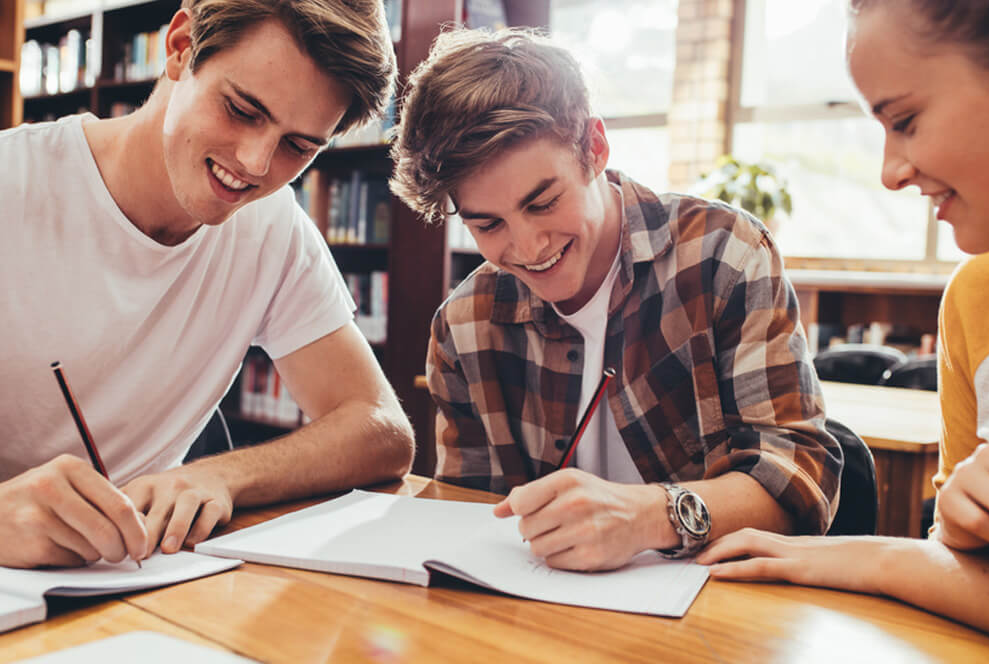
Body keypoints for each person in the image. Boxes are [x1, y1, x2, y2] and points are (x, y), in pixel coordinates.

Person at [389, 28, 842, 573]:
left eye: (544, 201)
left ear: (595, 148)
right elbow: (470, 518)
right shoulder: (464, 327)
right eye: (488, 225)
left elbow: (801, 480)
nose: (528, 247)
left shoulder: (723, 256)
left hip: (716, 616)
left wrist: (653, 515)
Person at [0, 0, 414, 569]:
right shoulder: (12, 184)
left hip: (144, 580)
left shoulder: (272, 230)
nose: (255, 163)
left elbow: (383, 429)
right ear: (179, 47)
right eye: (242, 110)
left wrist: (222, 474)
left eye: (298, 146)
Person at [698, 0, 989, 637]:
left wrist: (881, 559)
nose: (891, 172)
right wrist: (953, 527)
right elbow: (963, 557)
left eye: (907, 120)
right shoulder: (977, 299)